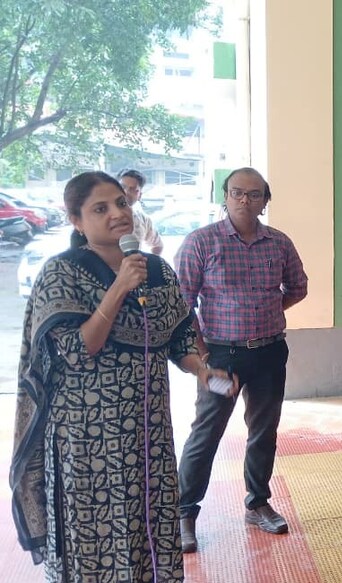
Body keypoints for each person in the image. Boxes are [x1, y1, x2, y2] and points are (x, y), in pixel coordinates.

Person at [10, 171, 233, 581]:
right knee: (93, 537)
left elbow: (178, 336)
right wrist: (118, 289)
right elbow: (76, 350)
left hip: (146, 434)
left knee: (148, 525)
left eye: (121, 203)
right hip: (86, 441)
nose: (117, 213)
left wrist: (202, 369)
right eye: (101, 208)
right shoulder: (60, 275)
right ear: (76, 220)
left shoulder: (157, 271)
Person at [176, 167, 309, 552]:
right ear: (225, 196)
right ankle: (184, 513)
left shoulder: (279, 243)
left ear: (266, 200)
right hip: (220, 356)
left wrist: (266, 310)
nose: (245, 200)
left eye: (254, 194)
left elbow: (298, 288)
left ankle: (257, 503)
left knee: (264, 432)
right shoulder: (201, 243)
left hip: (269, 352)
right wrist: (203, 358)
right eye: (237, 193)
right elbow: (184, 306)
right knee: (206, 435)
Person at [118, 169, 164, 255]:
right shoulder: (102, 216)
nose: (126, 192)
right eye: (122, 187)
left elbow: (158, 245)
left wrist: (150, 265)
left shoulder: (143, 220)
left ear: (139, 195)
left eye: (132, 189)